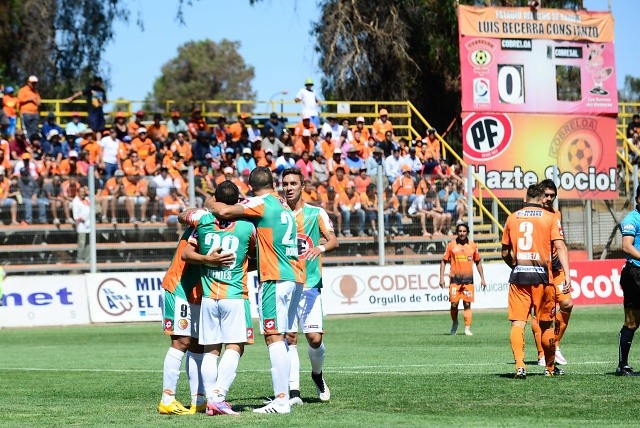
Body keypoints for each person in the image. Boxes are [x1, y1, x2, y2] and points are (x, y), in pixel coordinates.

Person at [206, 166, 304, 414]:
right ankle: (284, 396)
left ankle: (281, 400)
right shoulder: (283, 205)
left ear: (251, 188)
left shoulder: (261, 203)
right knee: (281, 336)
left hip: (275, 277)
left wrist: (210, 201)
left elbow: (225, 210)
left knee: (273, 337)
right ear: (273, 183)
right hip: (293, 275)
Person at [180, 181, 256, 416]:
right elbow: (256, 255)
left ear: (216, 199)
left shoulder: (202, 221)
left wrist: (206, 259)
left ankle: (211, 401)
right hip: (234, 294)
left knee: (212, 349)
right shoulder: (247, 226)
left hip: (209, 295)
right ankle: (218, 396)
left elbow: (184, 230)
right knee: (236, 346)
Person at [157, 218, 235, 415]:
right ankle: (167, 399)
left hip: (199, 292)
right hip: (179, 289)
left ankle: (198, 400)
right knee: (181, 342)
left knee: (198, 344)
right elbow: (186, 254)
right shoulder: (204, 225)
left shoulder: (221, 228)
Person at [501, 183, 570, 379]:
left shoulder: (512, 218)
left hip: (519, 277)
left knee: (517, 323)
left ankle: (520, 366)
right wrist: (568, 274)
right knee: (546, 325)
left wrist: (514, 265)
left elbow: (505, 252)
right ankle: (549, 368)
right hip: (542, 277)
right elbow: (561, 247)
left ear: (525, 198)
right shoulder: (550, 218)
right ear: (541, 199)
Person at [281, 168, 338, 405]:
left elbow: (334, 240)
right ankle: (294, 393)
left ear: (302, 186)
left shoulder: (316, 213)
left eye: (293, 183)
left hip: (310, 285)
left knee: (314, 338)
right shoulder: (277, 214)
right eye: (285, 183)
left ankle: (317, 375)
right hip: (285, 284)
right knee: (290, 337)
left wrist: (320, 248)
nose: (289, 187)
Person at [531, 179, 572, 367]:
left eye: (552, 195)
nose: (548, 198)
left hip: (556, 270)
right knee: (539, 314)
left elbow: (560, 244)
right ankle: (542, 353)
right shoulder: (533, 214)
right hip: (538, 270)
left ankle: (555, 346)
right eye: (546, 195)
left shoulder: (557, 214)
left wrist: (568, 273)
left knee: (567, 303)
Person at [439, 223, 486, 336]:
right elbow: (443, 261)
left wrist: (482, 278)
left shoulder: (473, 246)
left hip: (468, 281)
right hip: (455, 280)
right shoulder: (451, 245)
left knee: (467, 304)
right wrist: (441, 277)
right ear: (457, 232)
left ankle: (467, 328)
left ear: (467, 232)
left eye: (464, 231)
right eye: (460, 231)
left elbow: (478, 262)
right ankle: (455, 322)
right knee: (454, 304)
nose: (462, 233)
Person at [617, 184, 640, 376]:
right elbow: (626, 246)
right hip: (635, 274)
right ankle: (622, 365)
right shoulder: (632, 219)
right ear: (638, 199)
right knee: (632, 322)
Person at [71, 185, 91, 263]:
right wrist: (83, 220)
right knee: (82, 243)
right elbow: (75, 215)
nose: (83, 193)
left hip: (89, 225)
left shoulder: (87, 199)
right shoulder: (76, 201)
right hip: (82, 225)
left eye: (84, 192)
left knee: (89, 243)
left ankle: (88, 259)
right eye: (81, 192)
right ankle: (80, 258)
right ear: (78, 193)